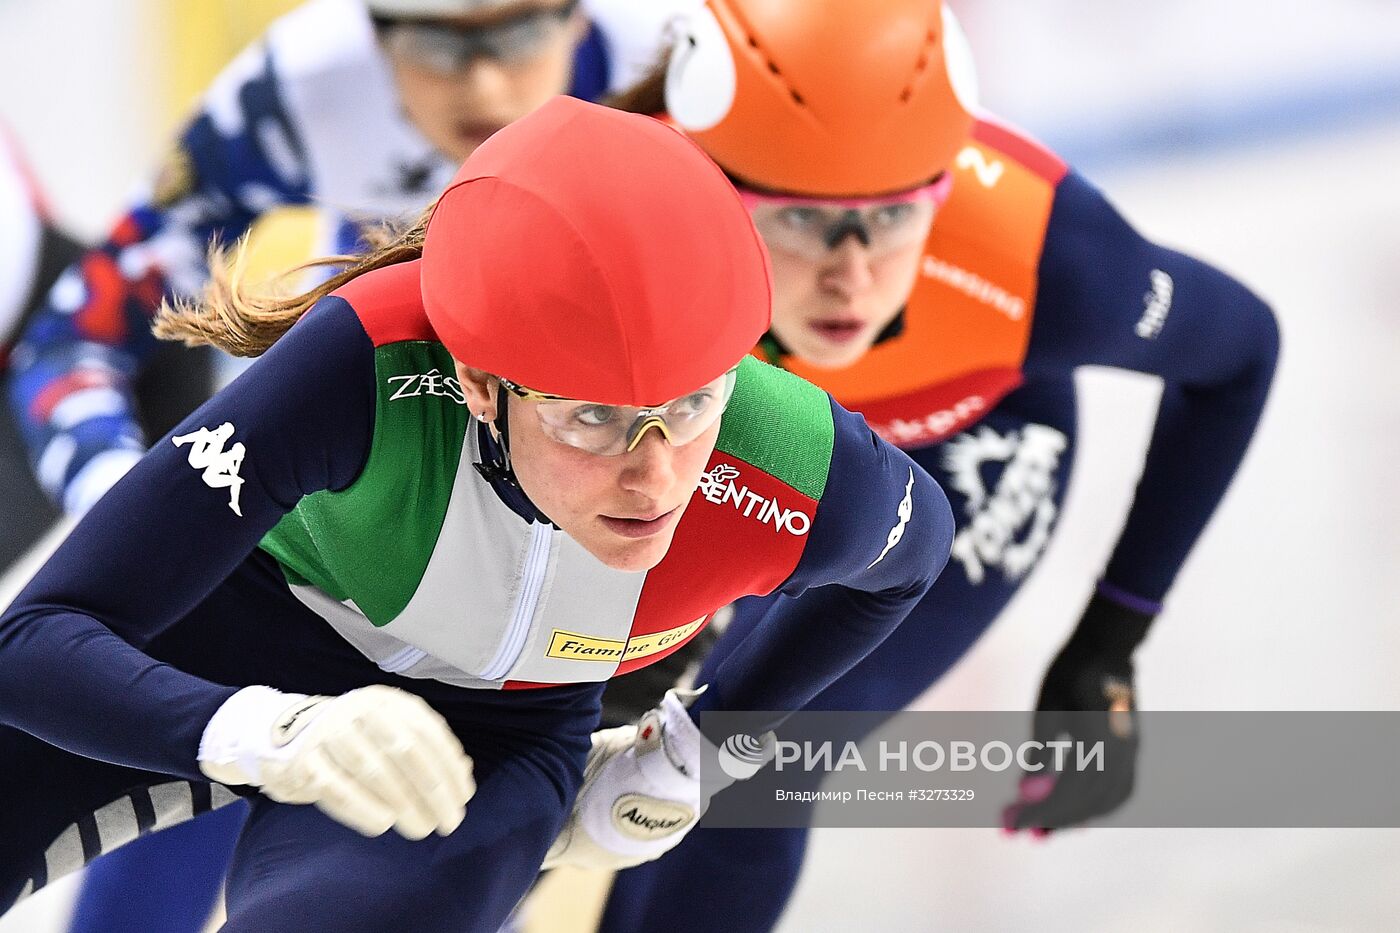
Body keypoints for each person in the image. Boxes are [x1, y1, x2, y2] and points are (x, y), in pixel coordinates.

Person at [0, 97, 954, 933]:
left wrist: (701, 752)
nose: (656, 477)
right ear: (479, 386)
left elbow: (917, 554)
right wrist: (267, 731)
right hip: (225, 636)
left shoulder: (783, 456)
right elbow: (34, 638)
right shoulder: (368, 365)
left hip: (481, 745)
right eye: (594, 418)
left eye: (695, 405)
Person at [584, 2, 1281, 930]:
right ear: (703, 178)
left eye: (895, 214)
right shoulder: (613, 211)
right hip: (725, 439)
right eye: (798, 218)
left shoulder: (1047, 258)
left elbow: (1240, 352)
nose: (853, 277)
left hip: (958, 446)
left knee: (764, 755)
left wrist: (1111, 637)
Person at [4, 1, 666, 927]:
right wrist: (150, 517)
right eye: (434, 43)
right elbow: (68, 343)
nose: (482, 81)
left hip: (566, 566)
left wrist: (726, 739)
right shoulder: (297, 95)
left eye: (519, 35)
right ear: (371, 28)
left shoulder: (677, 72)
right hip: (316, 536)